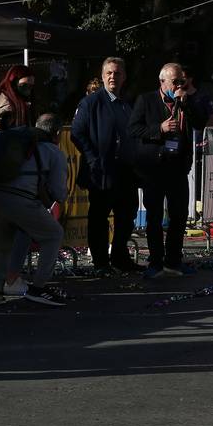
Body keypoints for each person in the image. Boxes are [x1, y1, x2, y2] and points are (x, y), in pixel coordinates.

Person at [0, 114, 69, 307]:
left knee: (2, 243)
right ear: (58, 133)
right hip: (20, 197)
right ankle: (38, 289)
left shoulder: (12, 140)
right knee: (54, 235)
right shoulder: (53, 151)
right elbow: (59, 193)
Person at [129, 61, 208, 279]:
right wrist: (159, 129)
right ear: (162, 81)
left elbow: (200, 122)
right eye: (175, 82)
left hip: (178, 167)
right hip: (154, 167)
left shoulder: (186, 101)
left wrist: (186, 104)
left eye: (182, 81)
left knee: (179, 216)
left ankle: (173, 261)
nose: (179, 85)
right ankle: (155, 261)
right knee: (154, 216)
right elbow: (133, 129)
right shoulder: (146, 100)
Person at [71, 57, 141, 273]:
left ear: (124, 77)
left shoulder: (126, 104)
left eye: (117, 73)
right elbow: (77, 133)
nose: (113, 77)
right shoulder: (91, 103)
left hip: (125, 172)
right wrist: (93, 159)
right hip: (101, 172)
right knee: (99, 218)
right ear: (102, 76)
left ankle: (120, 258)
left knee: (126, 216)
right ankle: (101, 262)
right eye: (109, 73)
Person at [0, 64, 35, 132]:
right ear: (13, 83)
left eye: (31, 86)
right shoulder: (7, 104)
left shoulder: (17, 101)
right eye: (24, 85)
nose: (28, 90)